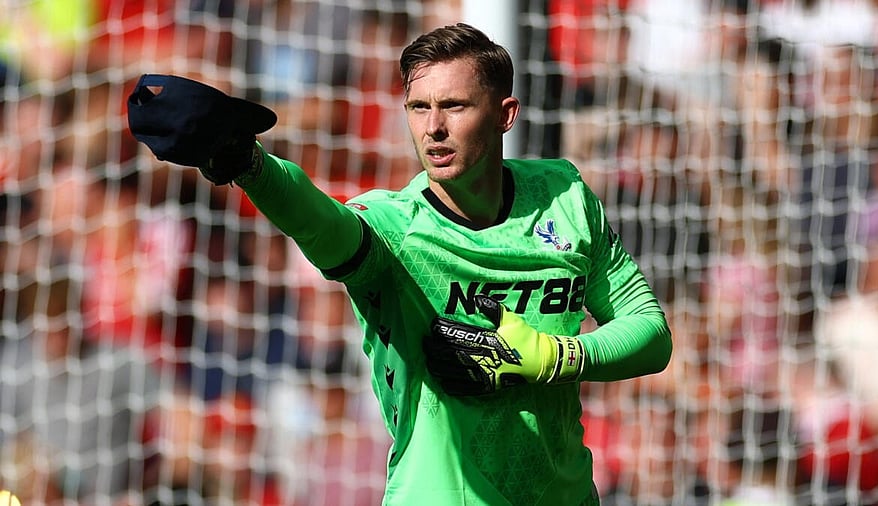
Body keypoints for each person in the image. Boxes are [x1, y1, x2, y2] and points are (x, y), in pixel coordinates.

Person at [127, 23, 673, 505]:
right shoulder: (394, 228)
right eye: (418, 107)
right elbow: (323, 224)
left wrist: (554, 357)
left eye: (454, 106)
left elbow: (651, 333)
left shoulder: (565, 196)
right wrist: (248, 164)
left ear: (505, 115)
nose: (433, 127)